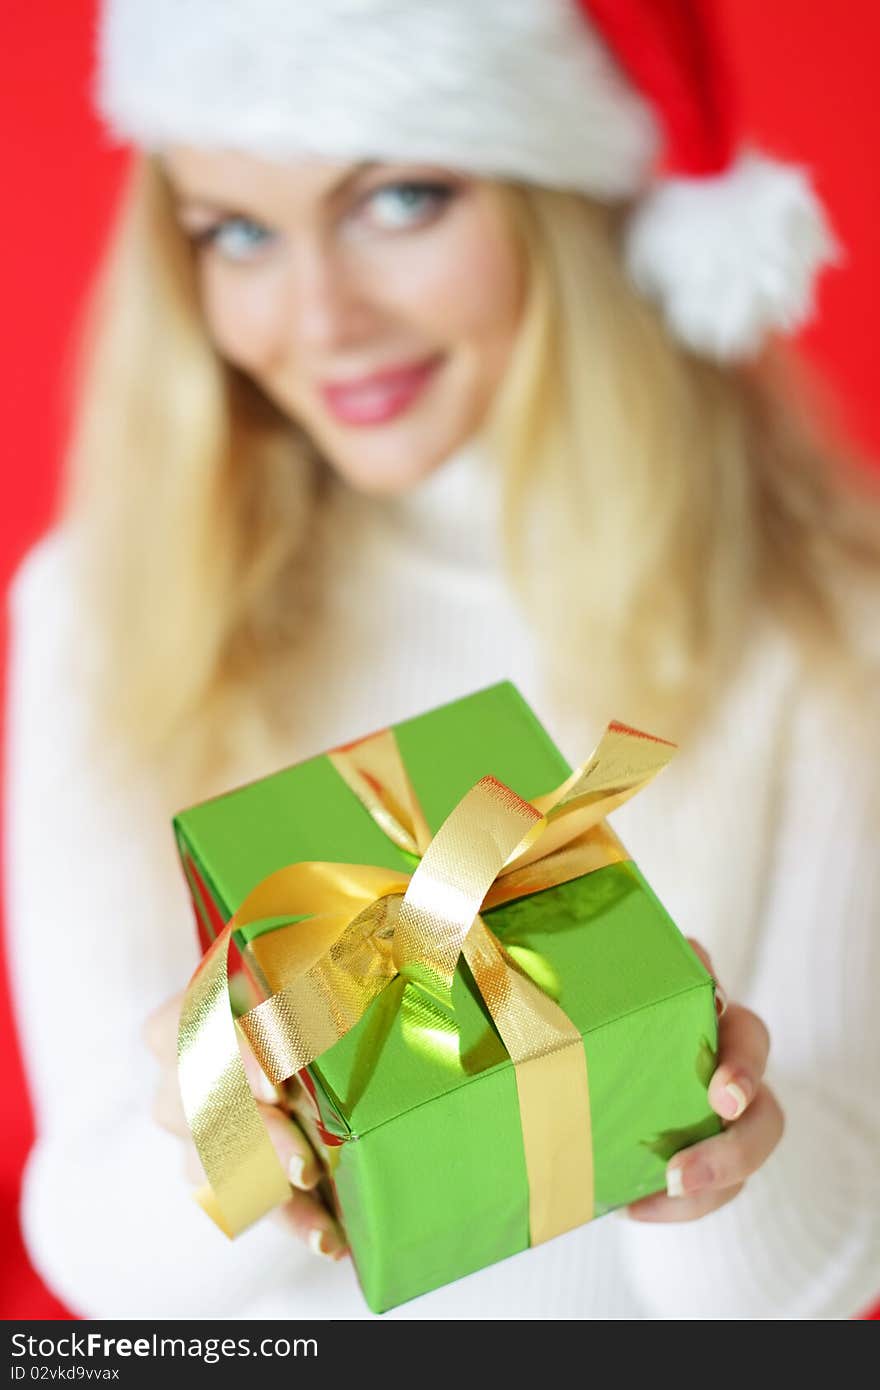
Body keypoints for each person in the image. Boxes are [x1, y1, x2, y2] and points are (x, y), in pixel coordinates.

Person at [5, 0, 880, 1321]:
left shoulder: (826, 617)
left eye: (402, 198)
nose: (322, 317)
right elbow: (100, 1257)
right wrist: (232, 1141)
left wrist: (718, 1163)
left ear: (570, 199)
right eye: (236, 230)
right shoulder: (103, 610)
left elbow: (821, 1281)